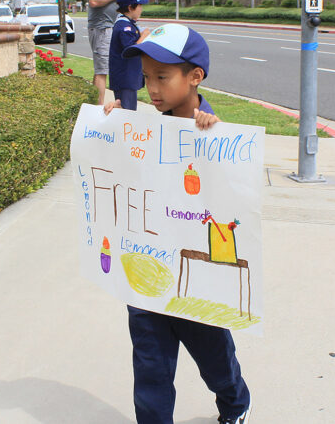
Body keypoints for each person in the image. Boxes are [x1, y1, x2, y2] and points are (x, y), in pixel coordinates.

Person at [104, 23, 251, 424]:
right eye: (147, 77)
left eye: (162, 77)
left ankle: (235, 404)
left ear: (195, 77)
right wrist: (111, 129)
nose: (151, 88)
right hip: (146, 268)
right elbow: (122, 177)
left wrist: (210, 141)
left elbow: (231, 202)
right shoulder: (144, 128)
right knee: (150, 367)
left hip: (196, 271)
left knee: (214, 357)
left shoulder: (215, 133)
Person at [86, 0, 124, 105]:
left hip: (107, 27)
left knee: (101, 70)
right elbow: (93, 1)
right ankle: (99, 108)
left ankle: (96, 106)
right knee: (102, 71)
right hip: (101, 28)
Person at [108, 0, 151, 110]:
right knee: (127, 113)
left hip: (128, 78)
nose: (141, 9)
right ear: (130, 7)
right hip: (125, 79)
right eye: (140, 5)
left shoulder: (127, 24)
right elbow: (130, 49)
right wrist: (144, 36)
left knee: (127, 110)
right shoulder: (124, 27)